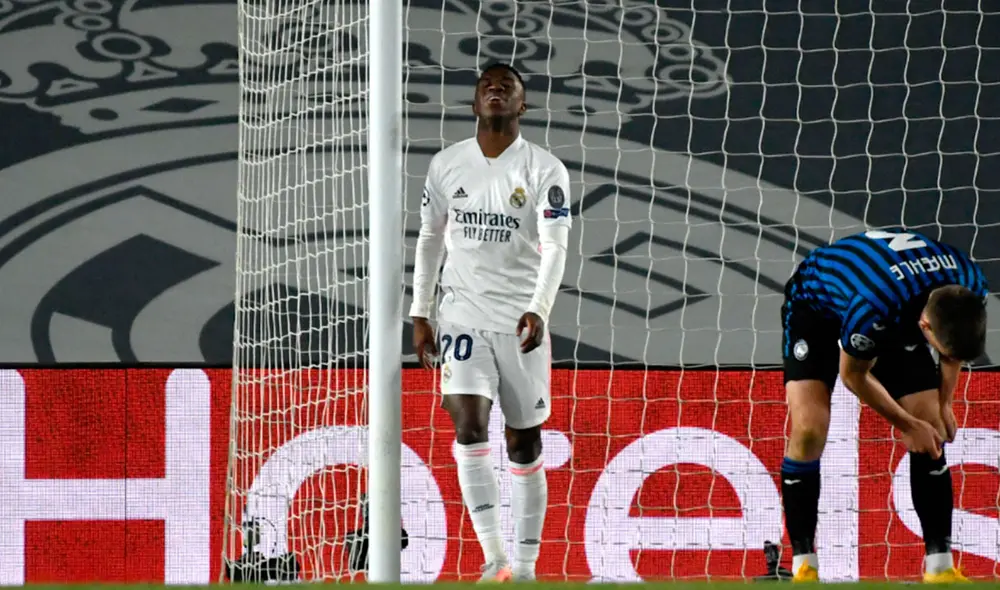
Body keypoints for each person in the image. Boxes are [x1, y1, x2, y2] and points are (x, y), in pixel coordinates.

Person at [409, 63, 572, 582]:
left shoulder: (545, 170)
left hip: (520, 323)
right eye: (487, 85)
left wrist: (540, 308)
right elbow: (430, 240)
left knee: (523, 443)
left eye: (508, 85)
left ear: (522, 105)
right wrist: (420, 311)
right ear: (475, 103)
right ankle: (495, 560)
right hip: (461, 316)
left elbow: (555, 248)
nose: (496, 89)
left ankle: (525, 567)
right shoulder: (447, 165)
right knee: (469, 425)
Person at [780, 229, 988, 583]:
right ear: (925, 327)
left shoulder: (970, 282)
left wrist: (945, 404)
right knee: (809, 430)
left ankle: (940, 569)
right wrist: (907, 425)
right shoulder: (873, 304)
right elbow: (854, 375)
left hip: (897, 306)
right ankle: (804, 564)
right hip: (817, 308)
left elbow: (952, 351)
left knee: (932, 425)